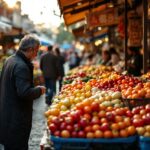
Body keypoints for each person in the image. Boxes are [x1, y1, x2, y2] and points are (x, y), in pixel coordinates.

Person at [0, 34, 46, 150]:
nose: (36, 54)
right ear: (30, 49)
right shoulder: (21, 66)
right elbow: (24, 92)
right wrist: (39, 90)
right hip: (17, 119)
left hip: (7, 115)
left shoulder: (10, 60)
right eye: (36, 51)